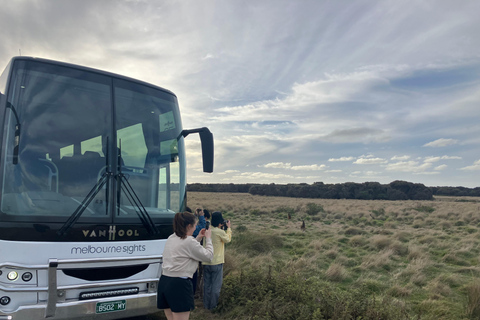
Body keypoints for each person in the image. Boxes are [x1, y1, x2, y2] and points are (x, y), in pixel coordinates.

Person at [157, 211, 213, 320]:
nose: (195, 227)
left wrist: (198, 238)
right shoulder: (189, 242)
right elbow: (208, 256)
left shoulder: (171, 238)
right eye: (195, 225)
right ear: (189, 226)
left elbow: (186, 249)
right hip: (179, 285)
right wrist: (209, 239)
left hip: (164, 282)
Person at [203, 211, 232, 310]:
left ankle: (206, 306)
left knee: (207, 285)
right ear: (220, 222)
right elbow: (228, 239)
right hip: (217, 262)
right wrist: (228, 228)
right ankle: (213, 306)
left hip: (206, 261)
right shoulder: (220, 232)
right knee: (216, 286)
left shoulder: (208, 231)